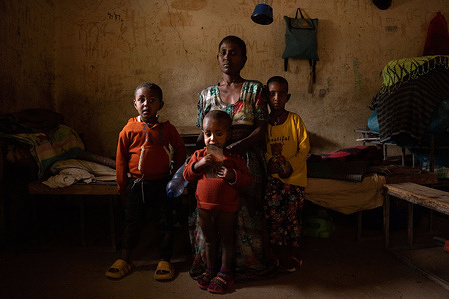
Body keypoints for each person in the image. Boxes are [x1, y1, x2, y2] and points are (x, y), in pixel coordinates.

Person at [190, 35, 276, 281]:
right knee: (210, 209)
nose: (228, 57)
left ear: (244, 59)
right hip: (214, 162)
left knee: (245, 212)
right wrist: (195, 159)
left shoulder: (254, 89)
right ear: (218, 58)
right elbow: (202, 135)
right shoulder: (206, 95)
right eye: (224, 52)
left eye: (234, 53)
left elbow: (261, 128)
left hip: (245, 160)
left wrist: (235, 147)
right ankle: (211, 266)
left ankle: (243, 264)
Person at [105, 82, 186, 280]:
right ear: (135, 104)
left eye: (152, 100)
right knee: (132, 222)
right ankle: (125, 258)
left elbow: (181, 151)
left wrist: (175, 179)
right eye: (141, 100)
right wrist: (122, 185)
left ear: (161, 104)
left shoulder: (167, 129)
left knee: (164, 222)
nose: (146, 104)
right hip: (136, 185)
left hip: (162, 184)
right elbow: (121, 159)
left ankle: (165, 260)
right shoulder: (128, 129)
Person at [183, 110, 253, 293]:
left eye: (219, 134)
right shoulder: (199, 155)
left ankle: (225, 273)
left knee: (227, 240)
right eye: (208, 134)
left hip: (227, 208)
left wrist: (232, 175)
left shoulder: (234, 158)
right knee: (209, 240)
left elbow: (247, 181)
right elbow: (186, 175)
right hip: (204, 207)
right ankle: (210, 269)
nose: (212, 139)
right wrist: (199, 165)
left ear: (228, 135)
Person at [264, 76, 310, 272]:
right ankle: (275, 255)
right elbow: (263, 149)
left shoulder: (295, 120)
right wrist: (272, 164)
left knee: (293, 219)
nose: (276, 98)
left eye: (281, 94)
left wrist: (290, 165)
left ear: (287, 97)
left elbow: (305, 147)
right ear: (266, 96)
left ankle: (292, 255)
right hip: (273, 181)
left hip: (295, 180)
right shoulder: (263, 123)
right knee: (274, 218)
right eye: (272, 93)